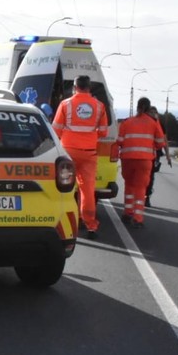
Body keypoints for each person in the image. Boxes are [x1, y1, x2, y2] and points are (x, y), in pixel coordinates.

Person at [52, 75, 109, 238]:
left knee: (65, 188)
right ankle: (90, 226)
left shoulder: (65, 104)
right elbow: (103, 132)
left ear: (75, 87)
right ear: (89, 87)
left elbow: (56, 130)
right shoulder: (99, 106)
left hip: (68, 153)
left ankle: (63, 224)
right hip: (89, 153)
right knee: (87, 190)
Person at [117, 97, 167, 228]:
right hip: (144, 161)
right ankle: (137, 218)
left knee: (129, 185)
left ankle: (127, 212)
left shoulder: (126, 122)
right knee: (140, 188)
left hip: (127, 159)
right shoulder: (153, 123)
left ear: (137, 107)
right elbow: (160, 143)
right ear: (149, 108)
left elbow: (119, 141)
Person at [144, 106, 171, 207]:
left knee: (150, 177)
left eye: (155, 112)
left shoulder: (160, 125)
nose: (153, 114)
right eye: (151, 112)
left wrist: (168, 156)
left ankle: (147, 197)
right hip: (144, 154)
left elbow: (164, 141)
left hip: (155, 155)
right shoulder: (144, 124)